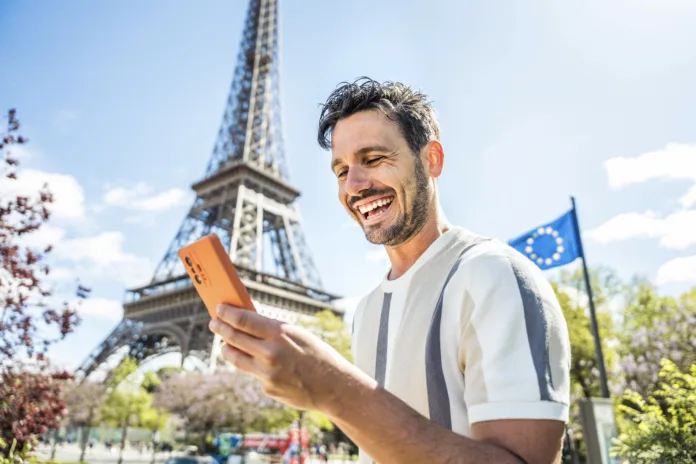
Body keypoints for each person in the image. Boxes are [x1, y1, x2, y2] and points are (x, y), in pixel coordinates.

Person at [209, 77, 571, 464]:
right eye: (341, 170)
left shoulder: (494, 275)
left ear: (431, 160)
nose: (354, 185)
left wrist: (335, 390)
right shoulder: (367, 310)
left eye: (374, 159)